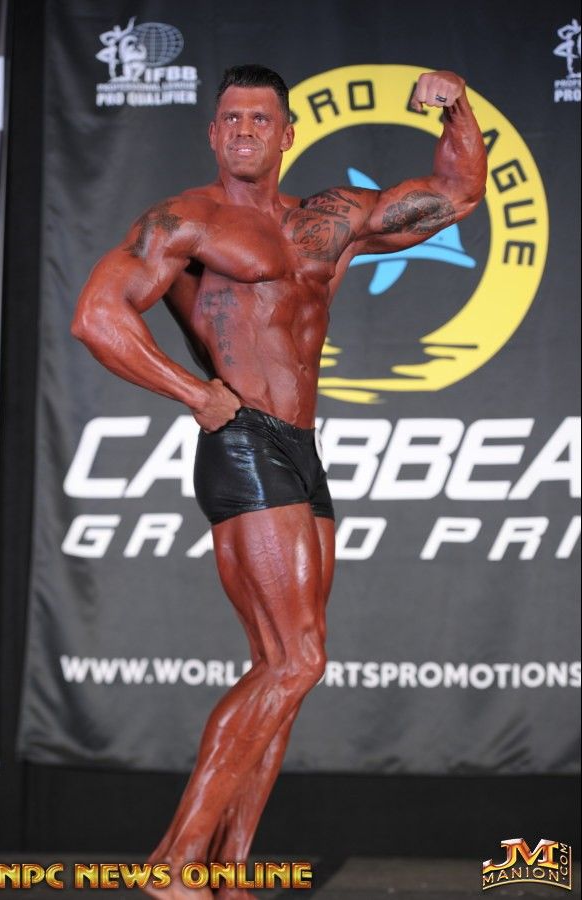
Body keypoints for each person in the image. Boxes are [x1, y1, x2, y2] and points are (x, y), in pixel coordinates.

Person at [72, 64, 487, 899]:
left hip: (300, 448)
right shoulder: (186, 220)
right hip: (242, 440)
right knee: (298, 660)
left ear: (288, 133)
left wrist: (457, 106)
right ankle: (174, 865)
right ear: (212, 133)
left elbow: (457, 194)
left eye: (260, 119)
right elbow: (97, 315)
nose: (244, 131)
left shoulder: (327, 221)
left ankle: (229, 876)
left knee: (280, 669)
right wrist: (194, 393)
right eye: (231, 119)